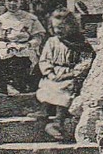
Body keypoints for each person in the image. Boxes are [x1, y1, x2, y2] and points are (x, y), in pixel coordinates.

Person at [37, 9, 95, 141]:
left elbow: (86, 61)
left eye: (62, 27)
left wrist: (72, 74)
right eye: (56, 27)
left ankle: (58, 121)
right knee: (47, 86)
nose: (59, 30)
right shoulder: (52, 41)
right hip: (54, 73)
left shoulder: (80, 43)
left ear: (72, 26)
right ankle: (43, 112)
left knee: (65, 89)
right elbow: (44, 59)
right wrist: (49, 73)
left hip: (70, 75)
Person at [0, 0, 46, 93]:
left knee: (24, 61)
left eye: (15, 0)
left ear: (20, 1)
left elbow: (38, 37)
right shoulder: (0, 20)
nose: (12, 3)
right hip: (8, 48)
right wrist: (6, 46)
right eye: (9, 0)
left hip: (25, 47)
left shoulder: (30, 18)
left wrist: (28, 45)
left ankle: (22, 84)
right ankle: (11, 84)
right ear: (4, 2)